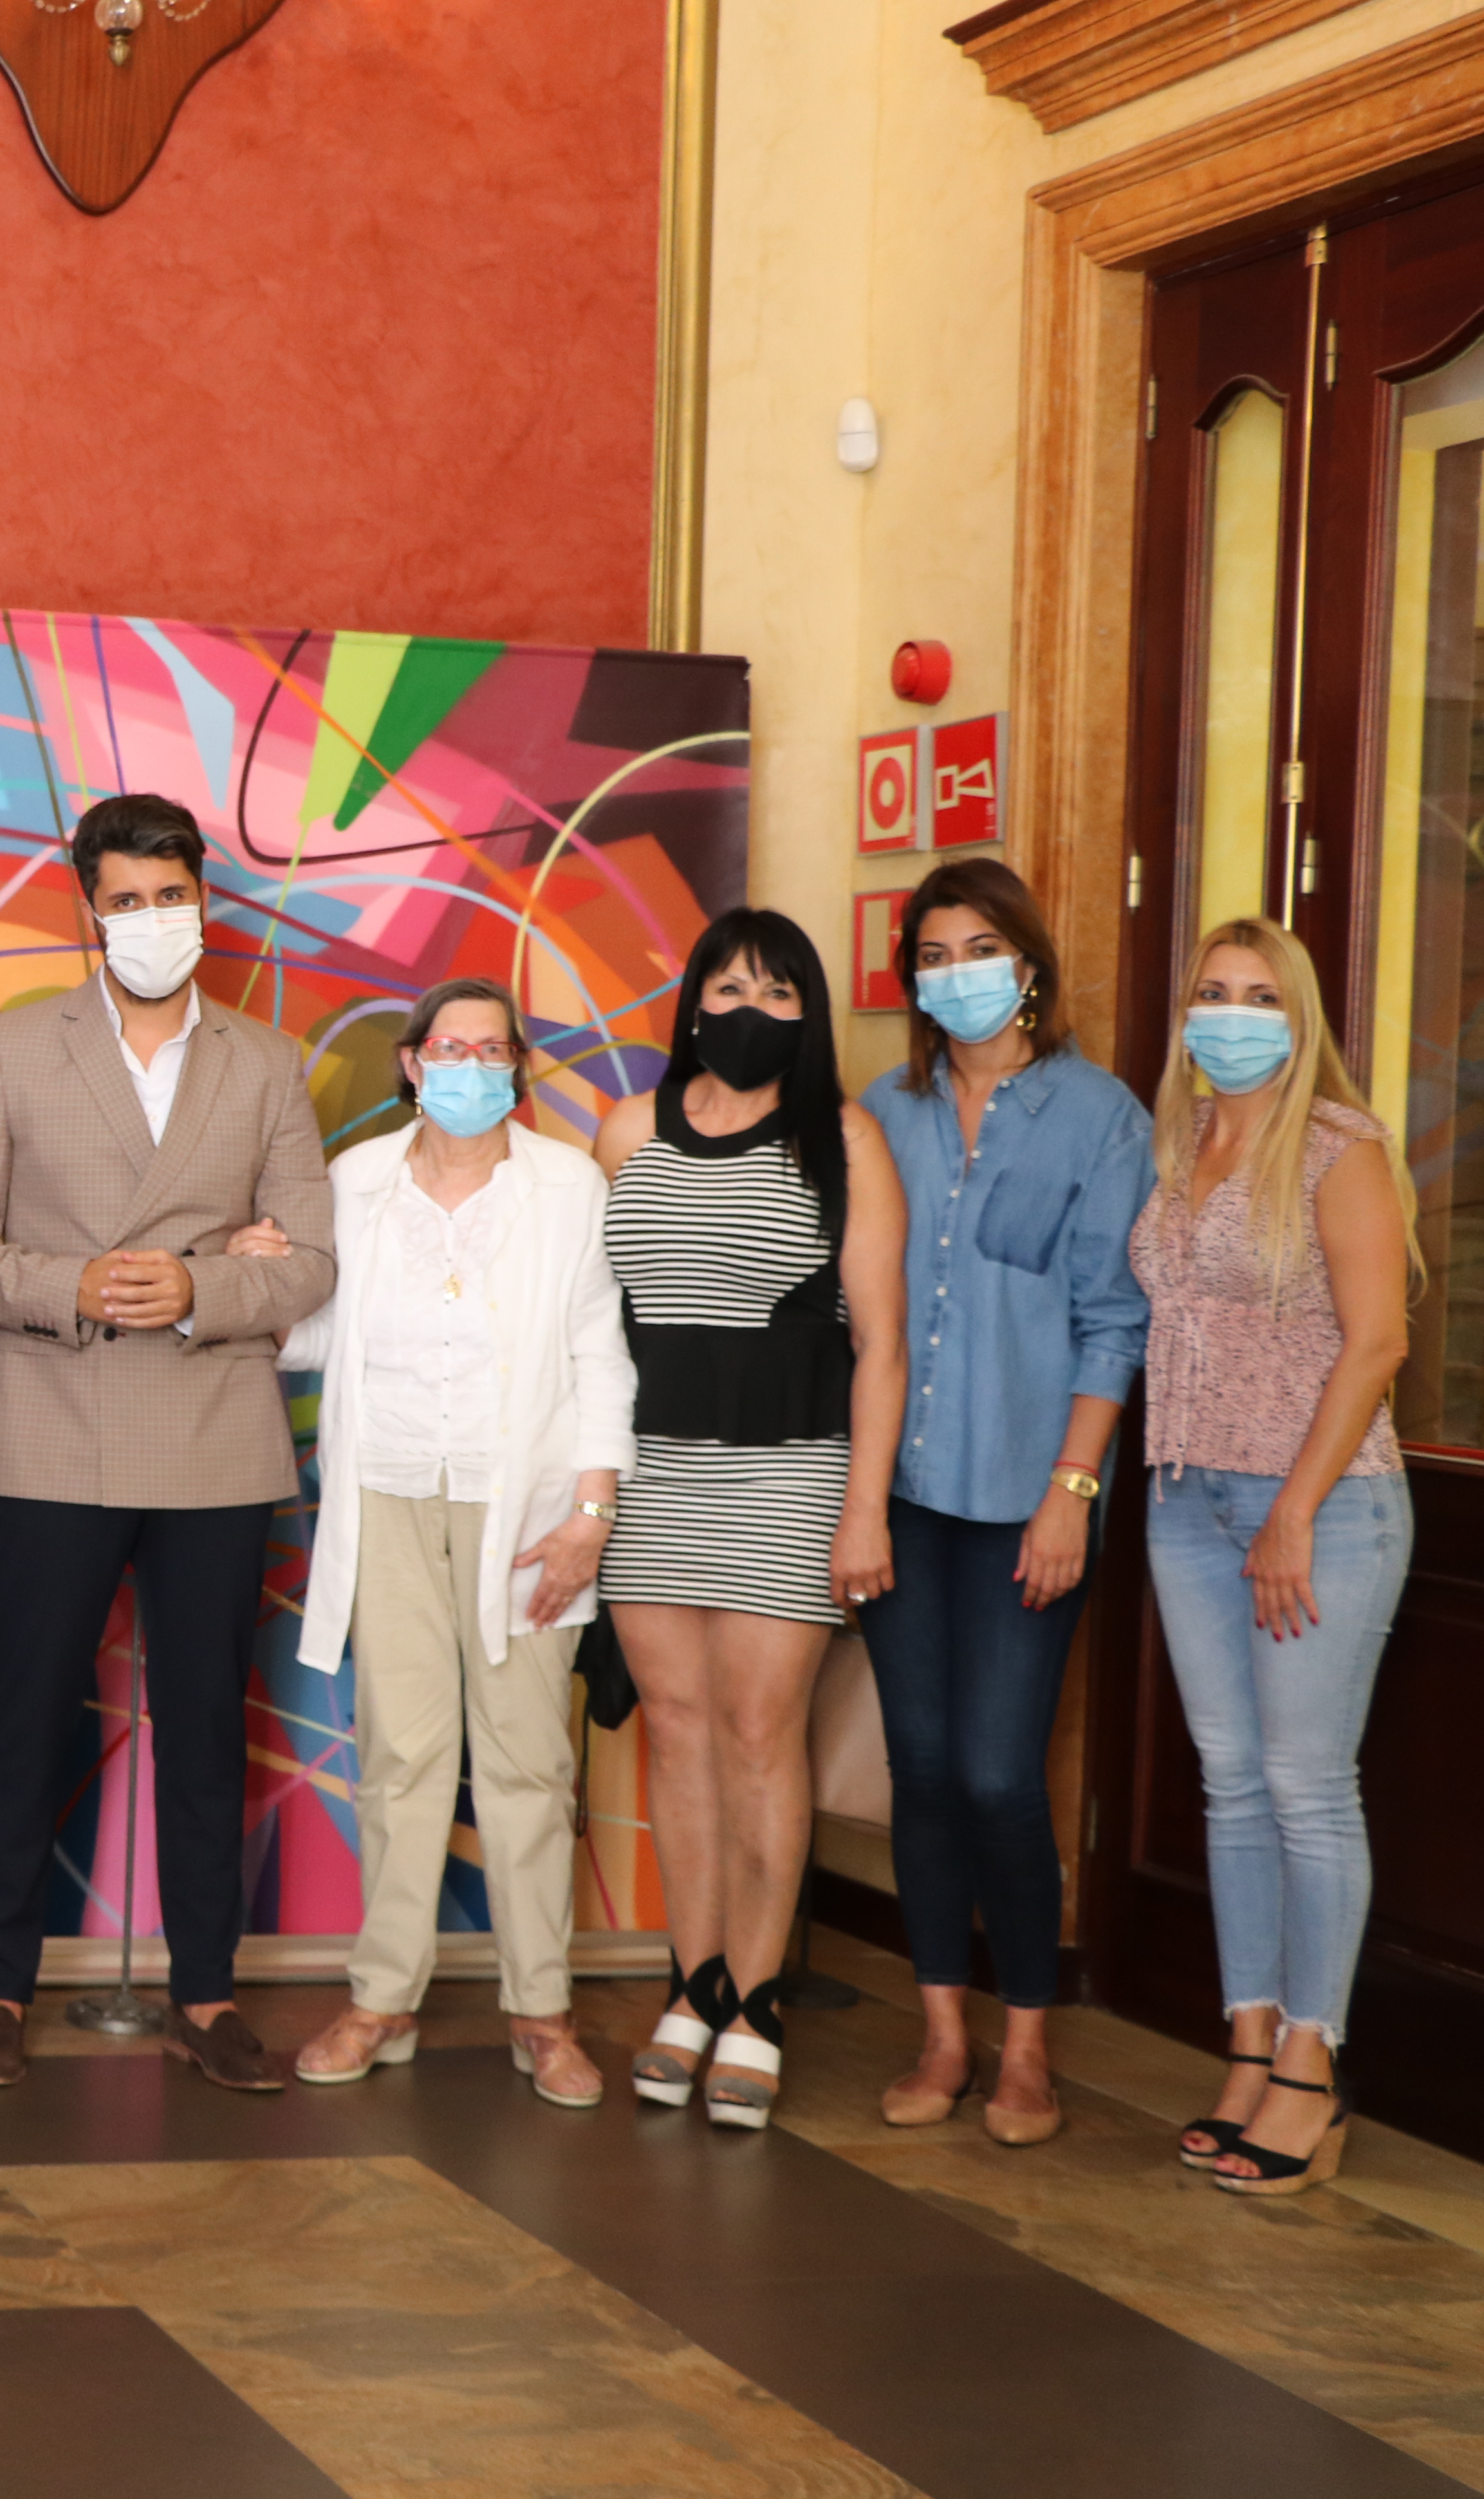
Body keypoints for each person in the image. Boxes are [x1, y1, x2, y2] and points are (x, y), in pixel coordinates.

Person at [0, 792, 337, 2094]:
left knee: (208, 1725)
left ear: (205, 897)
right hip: (57, 1426)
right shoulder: (16, 1050)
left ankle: (204, 1995)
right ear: (88, 911)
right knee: (31, 1715)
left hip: (214, 1433)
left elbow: (312, 1257)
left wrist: (205, 1288)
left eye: (173, 893)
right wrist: (77, 1285)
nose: (155, 918)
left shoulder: (266, 1063)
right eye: (128, 898)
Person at [253, 978, 629, 2108]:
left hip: (527, 1516)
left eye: (493, 1049)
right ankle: (383, 1997)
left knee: (526, 1763)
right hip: (390, 1497)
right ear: (413, 1064)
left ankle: (543, 2011)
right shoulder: (358, 1182)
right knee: (404, 1758)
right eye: (449, 1048)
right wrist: (260, 1273)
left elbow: (602, 1354)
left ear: (518, 1067)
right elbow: (314, 1338)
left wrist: (589, 1517)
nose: (470, 1067)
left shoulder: (566, 1186)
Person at [591, 909, 905, 2130]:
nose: (751, 1014)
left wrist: (862, 1510)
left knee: (760, 1732)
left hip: (790, 1474)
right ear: (691, 1002)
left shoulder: (845, 1137)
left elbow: (878, 1348)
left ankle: (760, 2002)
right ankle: (694, 1981)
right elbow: (583, 1318)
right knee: (675, 1728)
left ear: (810, 1016)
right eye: (730, 989)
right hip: (652, 1467)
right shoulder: (626, 1130)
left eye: (780, 996)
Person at [855, 859, 1151, 2148]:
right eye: (932, 953)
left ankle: (1028, 2042)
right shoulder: (883, 1111)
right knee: (919, 1767)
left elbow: (1112, 1320)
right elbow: (854, 1313)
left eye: (980, 947)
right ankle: (942, 2032)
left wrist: (1072, 1491)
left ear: (1028, 962)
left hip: (1032, 1496)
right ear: (912, 975)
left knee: (996, 1770)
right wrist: (852, 1499)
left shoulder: (1100, 1115)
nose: (956, 971)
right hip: (901, 1495)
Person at [1135, 918, 1415, 2200]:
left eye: (1259, 996)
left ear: (1301, 1021)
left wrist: (1296, 1507)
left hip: (1321, 1506)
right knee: (1233, 1785)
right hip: (1185, 1495)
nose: (1231, 1014)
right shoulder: (1182, 1139)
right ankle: (1249, 2032)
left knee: (1307, 1782)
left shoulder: (1340, 1148)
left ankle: (1314, 2060)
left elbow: (1376, 1344)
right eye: (1211, 992)